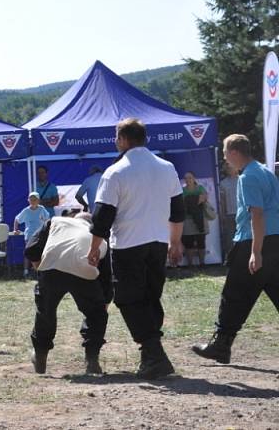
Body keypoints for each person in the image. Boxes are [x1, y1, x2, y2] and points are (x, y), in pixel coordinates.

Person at [87, 118, 185, 379]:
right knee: (151, 297)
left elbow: (102, 217)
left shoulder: (115, 172)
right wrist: (175, 243)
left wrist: (94, 248)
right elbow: (177, 212)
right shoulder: (167, 167)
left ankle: (154, 354)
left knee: (129, 299)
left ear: (122, 140)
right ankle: (150, 354)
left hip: (129, 243)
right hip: (158, 242)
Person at [192, 134, 279, 364]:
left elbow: (256, 214)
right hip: (275, 240)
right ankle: (221, 345)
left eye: (224, 153)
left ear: (233, 153)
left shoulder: (248, 176)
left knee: (234, 294)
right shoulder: (264, 170)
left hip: (256, 240)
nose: (224, 158)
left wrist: (255, 251)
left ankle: (221, 346)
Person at [25, 213, 112, 375]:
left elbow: (31, 248)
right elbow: (106, 278)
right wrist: (102, 306)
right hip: (84, 269)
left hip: (52, 268)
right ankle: (92, 359)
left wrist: (40, 269)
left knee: (46, 312)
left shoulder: (56, 222)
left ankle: (40, 354)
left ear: (74, 218)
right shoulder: (100, 238)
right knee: (95, 314)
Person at [14, 192, 51, 277]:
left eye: (35, 199)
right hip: (29, 236)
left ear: (38, 201)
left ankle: (41, 271)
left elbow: (48, 220)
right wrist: (15, 230)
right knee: (28, 254)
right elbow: (17, 219)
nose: (33, 201)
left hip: (41, 236)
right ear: (28, 200)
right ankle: (26, 271)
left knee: (42, 253)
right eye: (31, 199)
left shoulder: (42, 209)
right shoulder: (26, 210)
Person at [181, 171, 209, 268]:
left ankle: (202, 263)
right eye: (186, 178)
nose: (188, 180)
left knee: (201, 241)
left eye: (190, 177)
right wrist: (195, 200)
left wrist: (190, 201)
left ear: (194, 178)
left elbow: (204, 198)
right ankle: (190, 264)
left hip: (200, 218)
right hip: (187, 220)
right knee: (189, 242)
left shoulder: (200, 188)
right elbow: (181, 203)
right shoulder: (182, 190)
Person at [219, 162, 239, 254]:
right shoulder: (223, 183)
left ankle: (245, 258)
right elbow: (222, 201)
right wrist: (222, 215)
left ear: (237, 168)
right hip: (229, 215)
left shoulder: (243, 180)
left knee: (245, 238)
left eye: (231, 167)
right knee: (230, 239)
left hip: (243, 215)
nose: (229, 169)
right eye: (228, 168)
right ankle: (231, 259)